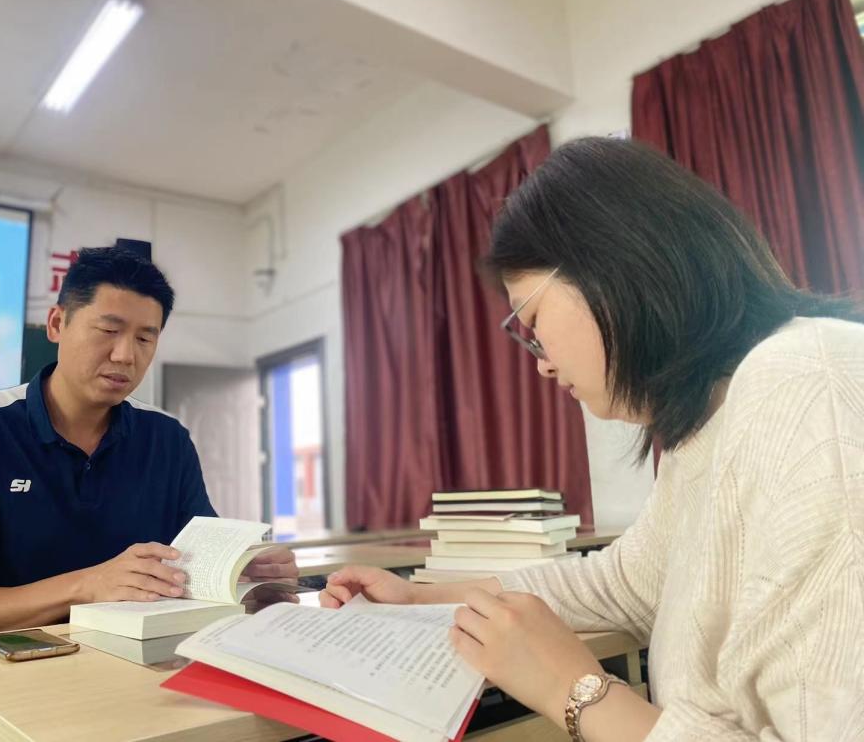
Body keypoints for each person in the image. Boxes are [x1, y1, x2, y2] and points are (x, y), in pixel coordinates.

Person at [321, 138, 864, 741]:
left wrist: (574, 690)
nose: (542, 362)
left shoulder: (806, 386)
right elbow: (620, 584)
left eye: (532, 322)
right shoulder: (711, 421)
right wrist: (420, 598)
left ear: (614, 263)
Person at [0, 246, 296, 641]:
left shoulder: (167, 439)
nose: (125, 355)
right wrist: (87, 585)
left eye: (145, 339)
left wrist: (246, 575)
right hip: (1, 669)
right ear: (56, 324)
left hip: (135, 664)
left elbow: (192, 573)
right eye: (108, 330)